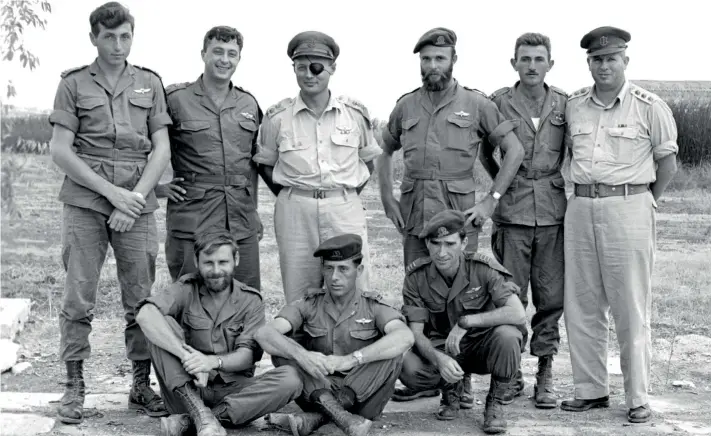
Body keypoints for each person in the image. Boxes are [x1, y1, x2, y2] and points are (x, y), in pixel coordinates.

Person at [379, 26, 525, 408]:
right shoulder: (406, 106)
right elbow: (384, 151)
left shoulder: (476, 104)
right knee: (423, 297)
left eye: (439, 58)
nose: (431, 65)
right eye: (425, 59)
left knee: (464, 298)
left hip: (460, 218)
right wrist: (386, 198)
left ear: (453, 60)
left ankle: (464, 384)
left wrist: (491, 200)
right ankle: (434, 379)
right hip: (415, 217)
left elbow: (514, 151)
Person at [48, 1, 171, 424]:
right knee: (78, 296)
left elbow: (162, 149)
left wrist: (132, 198)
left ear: (132, 36)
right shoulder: (73, 83)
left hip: (136, 202)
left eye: (125, 36)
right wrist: (111, 194)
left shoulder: (150, 83)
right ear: (93, 37)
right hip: (85, 200)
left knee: (141, 298)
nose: (118, 45)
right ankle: (74, 386)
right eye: (109, 37)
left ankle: (140, 383)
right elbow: (61, 150)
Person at [561, 26, 678, 424]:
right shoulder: (574, 105)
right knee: (582, 304)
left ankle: (637, 398)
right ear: (589, 63)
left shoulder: (649, 106)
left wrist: (645, 201)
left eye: (611, 58)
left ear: (625, 61)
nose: (604, 65)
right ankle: (591, 390)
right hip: (580, 207)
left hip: (629, 205)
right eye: (597, 59)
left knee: (630, 305)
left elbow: (667, 164)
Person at [135, 230, 303, 436]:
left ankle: (194, 422)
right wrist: (187, 356)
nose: (216, 271)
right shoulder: (186, 289)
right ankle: (197, 411)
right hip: (187, 388)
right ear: (197, 261)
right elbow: (144, 314)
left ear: (236, 260)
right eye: (208, 263)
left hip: (234, 392)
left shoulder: (250, 300)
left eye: (223, 262)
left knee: (291, 378)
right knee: (160, 325)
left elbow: (247, 356)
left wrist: (211, 362)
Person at [254, 31, 382, 303]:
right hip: (295, 211)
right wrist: (292, 196)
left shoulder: (354, 114)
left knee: (354, 288)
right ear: (294, 69)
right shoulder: (277, 117)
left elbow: (368, 161)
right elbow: (266, 164)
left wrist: (342, 196)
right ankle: (301, 345)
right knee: (300, 290)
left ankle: (356, 344)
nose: (309, 75)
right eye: (302, 68)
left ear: (332, 68)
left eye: (317, 67)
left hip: (344, 208)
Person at [255, 234, 414, 436]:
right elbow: (264, 334)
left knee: (391, 353)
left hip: (364, 397)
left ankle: (317, 418)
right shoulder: (309, 304)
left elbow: (405, 336)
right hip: (318, 388)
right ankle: (346, 421)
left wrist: (351, 359)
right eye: (329, 268)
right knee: (283, 351)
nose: (334, 277)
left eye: (343, 269)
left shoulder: (373, 306)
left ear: (359, 271)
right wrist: (302, 355)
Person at [480, 32, 568, 408]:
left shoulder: (565, 104)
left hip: (552, 211)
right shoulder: (498, 102)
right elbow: (487, 150)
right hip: (512, 213)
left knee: (550, 298)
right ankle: (510, 374)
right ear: (514, 63)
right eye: (525, 59)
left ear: (550, 63)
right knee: (509, 295)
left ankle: (544, 372)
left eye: (539, 59)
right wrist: (501, 181)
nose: (532, 66)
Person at [398, 209, 526, 434]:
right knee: (409, 367)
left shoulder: (483, 269)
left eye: (449, 243)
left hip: (482, 347)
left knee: (508, 336)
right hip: (445, 348)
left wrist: (466, 322)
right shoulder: (416, 278)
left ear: (464, 242)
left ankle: (494, 404)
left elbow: (517, 313)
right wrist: (439, 360)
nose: (442, 252)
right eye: (435, 243)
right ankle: (451, 390)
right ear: (427, 244)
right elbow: (415, 333)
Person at [155, 26, 264, 290]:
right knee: (190, 294)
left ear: (239, 59)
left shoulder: (248, 104)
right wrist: (155, 189)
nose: (224, 60)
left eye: (232, 54)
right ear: (203, 53)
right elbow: (144, 146)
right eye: (217, 51)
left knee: (246, 294)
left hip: (240, 218)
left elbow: (252, 163)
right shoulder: (175, 99)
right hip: (193, 215)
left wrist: (254, 209)